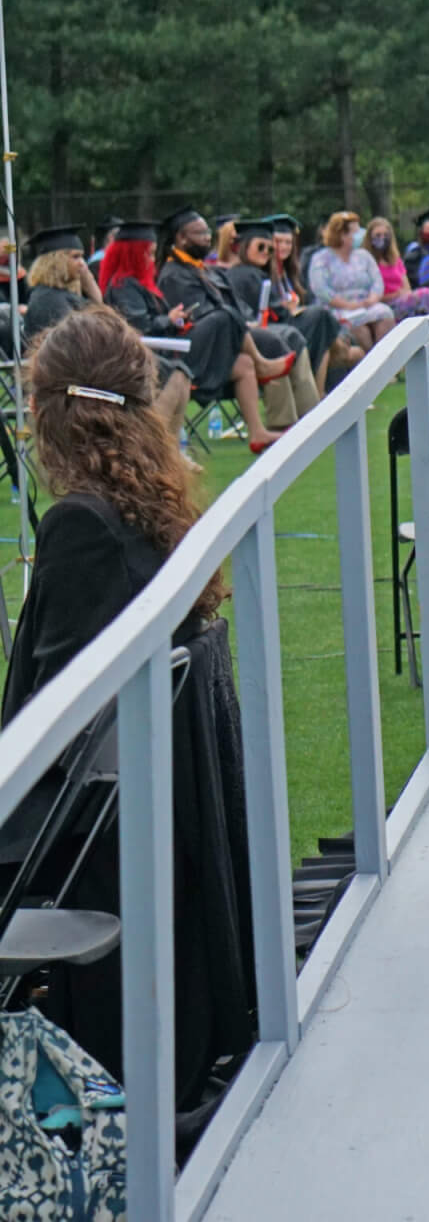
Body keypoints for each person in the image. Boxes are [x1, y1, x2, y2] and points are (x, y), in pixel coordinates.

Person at [3, 308, 255, 1110]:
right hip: (138, 819)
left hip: (82, 836)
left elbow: (56, 726)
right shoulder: (155, 506)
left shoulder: (84, 525)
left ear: (49, 412)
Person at [155, 207, 288, 452]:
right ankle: (263, 364)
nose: (207, 237)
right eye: (199, 233)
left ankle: (257, 433)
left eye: (207, 232)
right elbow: (197, 315)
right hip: (188, 355)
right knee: (227, 315)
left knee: (244, 365)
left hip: (213, 349)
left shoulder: (203, 269)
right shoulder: (172, 274)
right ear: (181, 238)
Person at [98, 220, 198, 442]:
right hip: (130, 357)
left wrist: (172, 320)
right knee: (176, 374)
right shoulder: (123, 286)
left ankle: (170, 447)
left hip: (151, 353)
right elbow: (138, 327)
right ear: (133, 254)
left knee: (180, 372)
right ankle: (154, 443)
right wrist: (167, 320)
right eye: (148, 254)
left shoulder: (136, 284)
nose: (152, 261)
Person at [223, 222, 322, 426]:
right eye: (261, 247)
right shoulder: (243, 274)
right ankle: (299, 416)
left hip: (263, 329)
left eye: (270, 249)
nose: (267, 253)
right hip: (246, 334)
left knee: (290, 335)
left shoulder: (255, 273)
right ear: (244, 246)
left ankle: (303, 414)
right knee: (281, 338)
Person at [272, 215, 361, 378]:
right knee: (323, 329)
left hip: (298, 324)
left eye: (288, 242)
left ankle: (327, 393)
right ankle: (339, 347)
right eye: (279, 242)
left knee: (329, 341)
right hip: (283, 328)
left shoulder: (288, 271)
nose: (284, 247)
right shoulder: (266, 273)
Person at [306, 212, 396, 353]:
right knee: (360, 329)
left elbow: (377, 282)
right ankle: (370, 366)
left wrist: (372, 298)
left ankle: (388, 364)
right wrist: (348, 305)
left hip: (366, 305)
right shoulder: (321, 259)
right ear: (342, 234)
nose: (361, 234)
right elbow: (321, 290)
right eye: (355, 231)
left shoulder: (364, 256)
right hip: (338, 309)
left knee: (385, 316)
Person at [22, 229, 103, 345]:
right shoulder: (48, 299)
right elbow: (79, 340)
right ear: (55, 262)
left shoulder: (63, 293)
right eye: (75, 257)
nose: (83, 263)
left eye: (82, 257)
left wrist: (91, 288)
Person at [365, 217, 429, 320]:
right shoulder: (366, 262)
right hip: (384, 306)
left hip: (403, 301)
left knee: (424, 301)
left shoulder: (395, 260)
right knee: (425, 294)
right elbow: (369, 296)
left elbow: (406, 288)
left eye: (386, 235)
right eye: (378, 235)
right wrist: (395, 295)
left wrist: (402, 294)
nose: (382, 238)